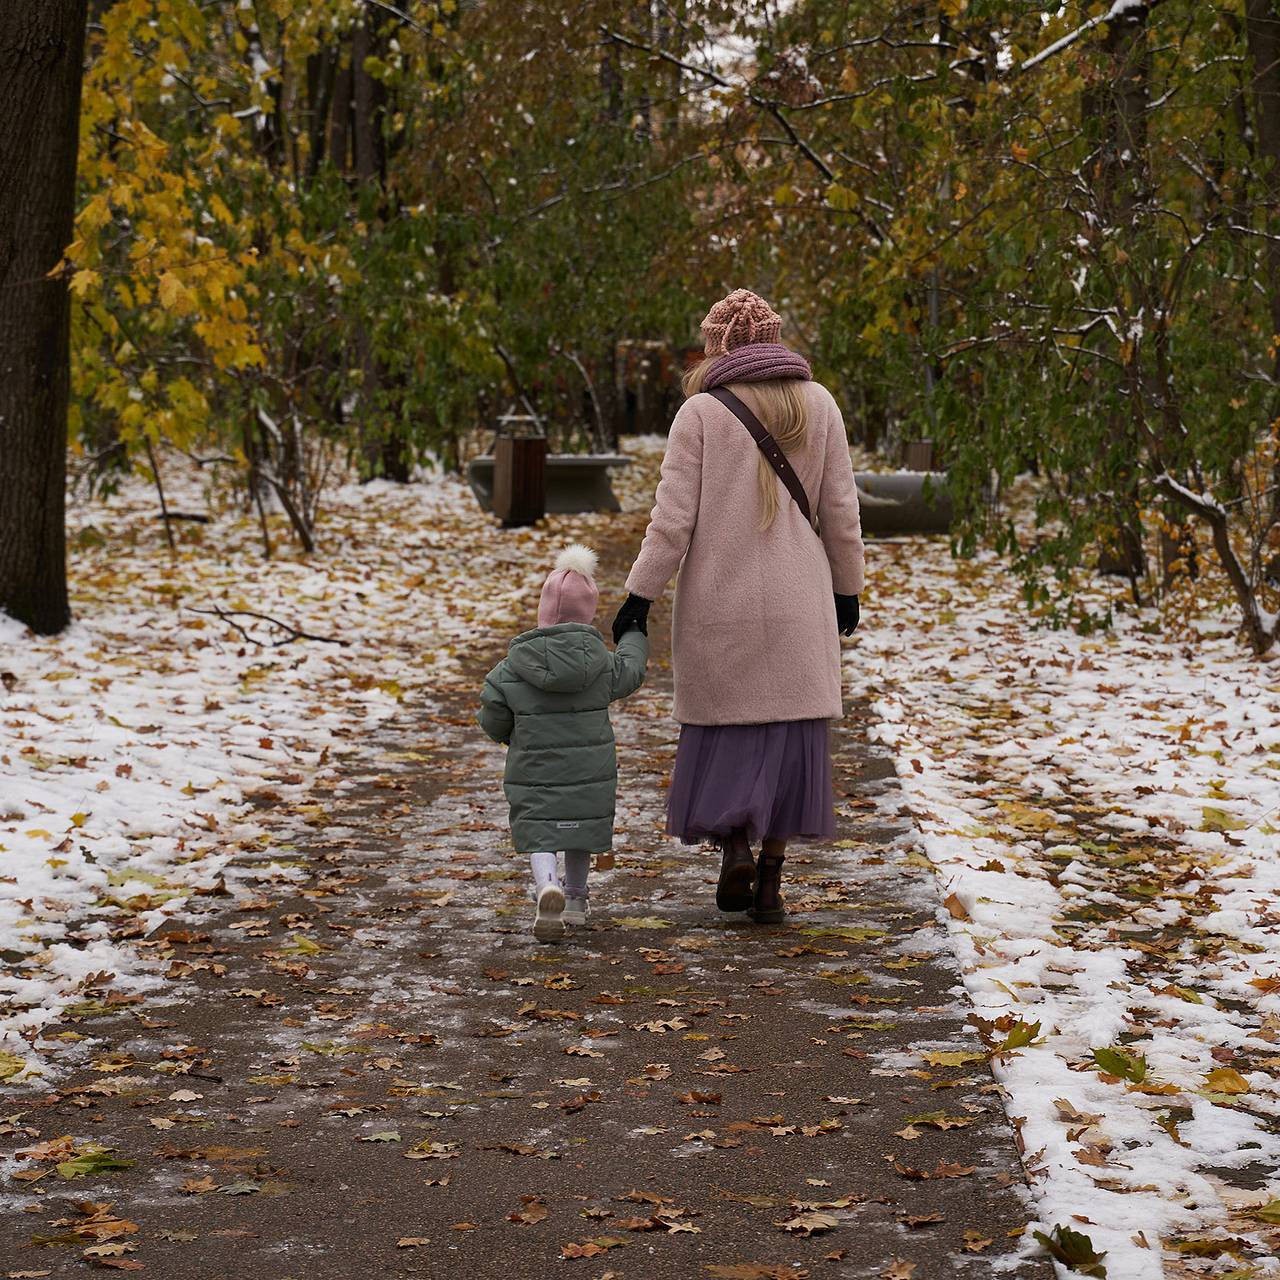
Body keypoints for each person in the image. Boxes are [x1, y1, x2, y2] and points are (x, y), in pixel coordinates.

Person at [612, 289, 864, 923]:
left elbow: (671, 522)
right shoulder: (819, 404)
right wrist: (848, 588)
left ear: (716, 344)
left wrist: (639, 598)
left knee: (726, 731)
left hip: (719, 603)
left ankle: (734, 852)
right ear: (775, 339)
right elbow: (841, 512)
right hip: (801, 601)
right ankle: (773, 879)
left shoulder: (699, 413)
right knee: (790, 737)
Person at [478, 544, 648, 943]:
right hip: (590, 772)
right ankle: (574, 900)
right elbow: (633, 670)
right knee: (579, 828)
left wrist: (511, 738)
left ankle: (546, 887)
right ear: (588, 614)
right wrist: (634, 634)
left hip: (534, 771)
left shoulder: (510, 669)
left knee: (542, 830)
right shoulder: (602, 664)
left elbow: (493, 715)